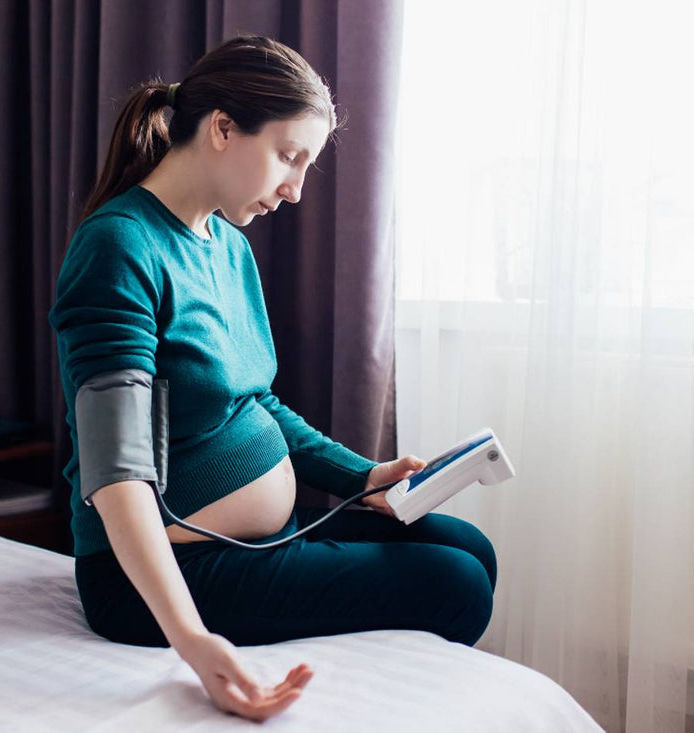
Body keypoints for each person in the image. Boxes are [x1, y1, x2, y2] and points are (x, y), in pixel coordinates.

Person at [48, 35, 497, 723]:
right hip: (158, 574)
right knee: (456, 582)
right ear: (223, 129)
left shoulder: (226, 245)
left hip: (255, 538)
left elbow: (254, 401)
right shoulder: (119, 247)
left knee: (470, 547)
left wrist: (362, 476)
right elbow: (118, 476)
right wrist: (192, 639)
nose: (295, 189)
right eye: (290, 157)